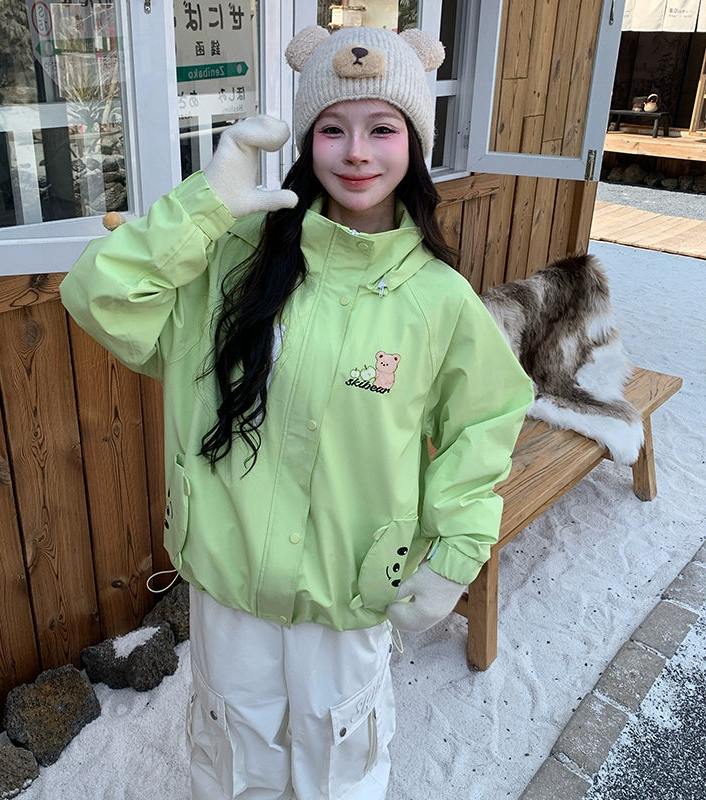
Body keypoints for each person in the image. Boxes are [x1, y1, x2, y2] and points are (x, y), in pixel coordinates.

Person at [60, 24, 533, 800]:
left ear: (414, 144)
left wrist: (456, 553)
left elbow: (484, 423)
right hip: (229, 581)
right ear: (306, 141)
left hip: (347, 589)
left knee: (338, 761)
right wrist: (203, 208)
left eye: (382, 129)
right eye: (332, 128)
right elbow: (99, 296)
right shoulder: (234, 256)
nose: (357, 153)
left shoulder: (437, 299)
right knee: (232, 754)